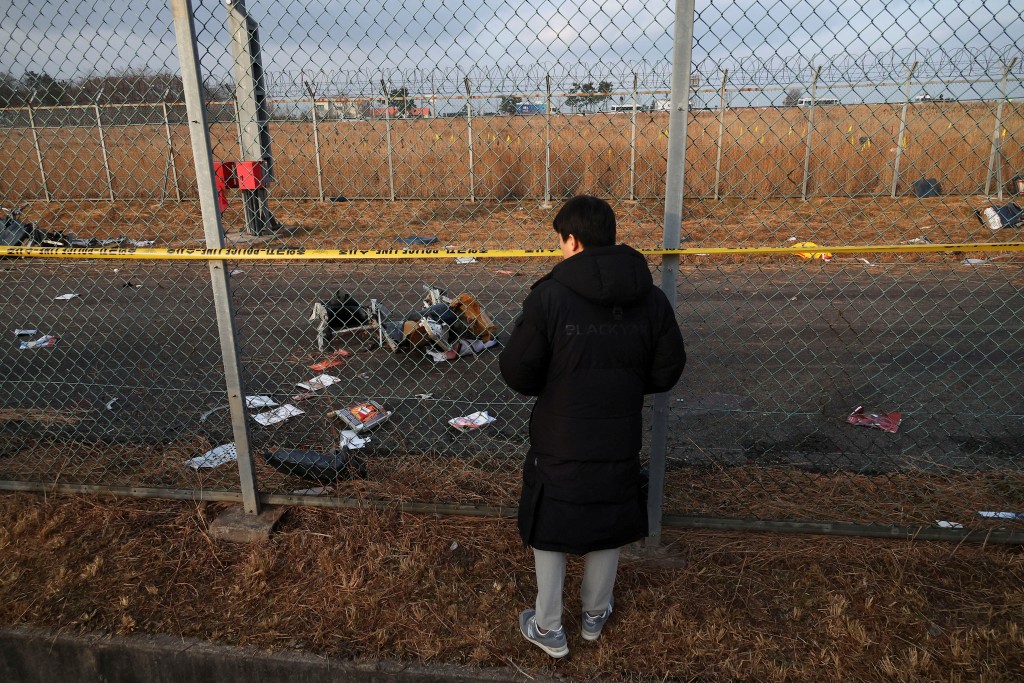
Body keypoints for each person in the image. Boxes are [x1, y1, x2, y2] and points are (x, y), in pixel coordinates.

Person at [499, 195, 686, 658]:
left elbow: (517, 369)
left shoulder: (550, 296)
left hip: (560, 433)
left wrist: (560, 382)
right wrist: (621, 385)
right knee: (610, 509)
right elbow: (668, 369)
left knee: (550, 512)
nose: (559, 249)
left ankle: (548, 627)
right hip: (618, 429)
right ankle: (594, 615)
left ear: (573, 240)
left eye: (560, 240)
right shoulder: (651, 297)